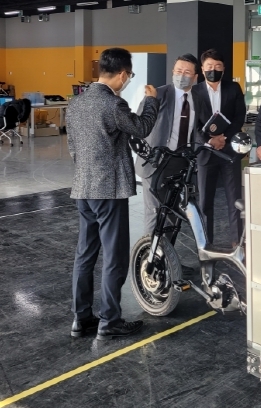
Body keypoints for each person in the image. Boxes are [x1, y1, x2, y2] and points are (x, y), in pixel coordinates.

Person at [66, 48, 159, 340]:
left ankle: (81, 319)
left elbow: (73, 148)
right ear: (122, 74)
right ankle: (110, 320)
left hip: (83, 189)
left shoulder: (76, 103)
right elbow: (141, 127)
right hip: (109, 191)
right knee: (114, 257)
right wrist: (151, 101)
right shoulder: (113, 105)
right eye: (129, 76)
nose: (127, 80)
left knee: (85, 254)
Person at [135, 53, 203, 236]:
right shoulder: (158, 94)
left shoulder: (198, 98)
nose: (182, 75)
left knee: (173, 213)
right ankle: (150, 252)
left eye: (187, 72)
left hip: (180, 163)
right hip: (156, 161)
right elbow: (139, 125)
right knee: (154, 212)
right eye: (178, 70)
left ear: (195, 77)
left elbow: (197, 129)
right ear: (172, 72)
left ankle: (167, 253)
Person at [194, 48, 247, 246]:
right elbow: (193, 123)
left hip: (229, 151)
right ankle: (206, 242)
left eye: (217, 66)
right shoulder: (195, 92)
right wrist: (209, 140)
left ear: (223, 68)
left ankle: (236, 242)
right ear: (202, 68)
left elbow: (239, 116)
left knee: (234, 199)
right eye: (209, 66)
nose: (213, 70)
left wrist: (224, 137)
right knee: (205, 202)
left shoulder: (233, 88)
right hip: (206, 153)